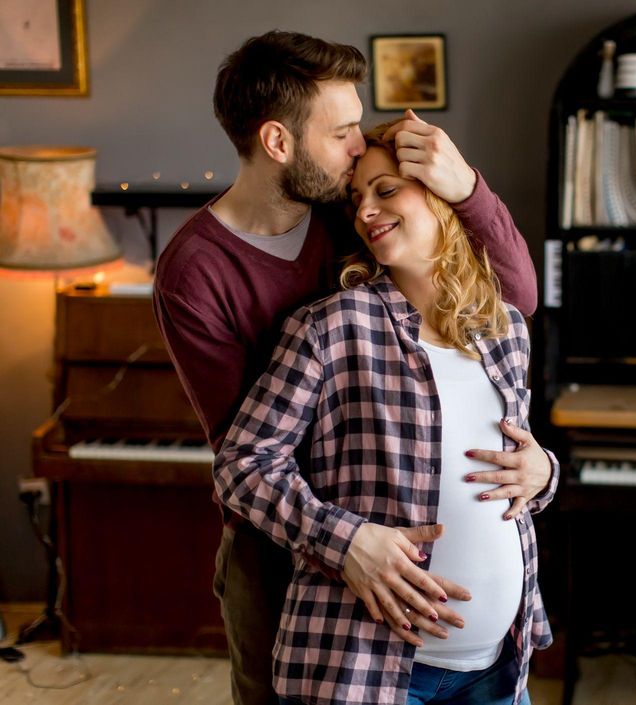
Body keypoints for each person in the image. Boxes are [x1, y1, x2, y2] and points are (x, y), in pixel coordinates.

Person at [153, 31, 539, 705]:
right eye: (344, 132)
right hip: (278, 544)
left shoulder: (346, 208)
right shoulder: (195, 271)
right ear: (279, 143)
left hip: (449, 602)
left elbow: (513, 301)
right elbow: (246, 453)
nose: (359, 149)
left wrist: (464, 186)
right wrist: (351, 540)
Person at [214, 125, 558, 705]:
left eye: (386, 190)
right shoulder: (332, 326)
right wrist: (344, 541)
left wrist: (544, 472)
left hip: (501, 667)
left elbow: (517, 465)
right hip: (368, 671)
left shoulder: (506, 329)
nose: (366, 212)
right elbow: (242, 465)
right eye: (356, 200)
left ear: (440, 195)